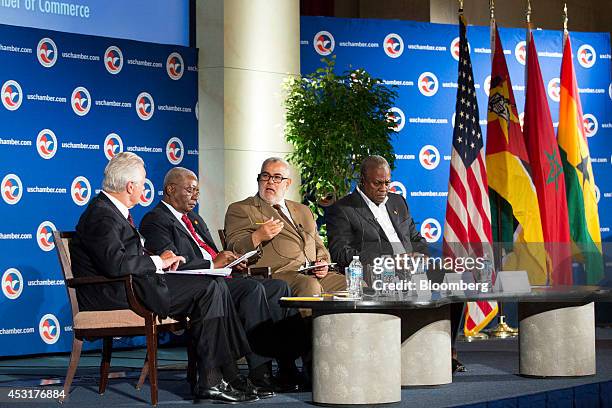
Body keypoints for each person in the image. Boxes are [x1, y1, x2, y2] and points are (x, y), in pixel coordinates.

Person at [69, 152, 258, 403]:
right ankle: (213, 379)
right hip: (116, 293)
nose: (146, 187)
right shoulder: (101, 214)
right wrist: (158, 261)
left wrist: (160, 257)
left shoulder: (111, 211)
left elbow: (123, 254)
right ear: (130, 186)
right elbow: (115, 264)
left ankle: (224, 374)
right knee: (209, 288)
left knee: (215, 285)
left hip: (132, 285)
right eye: (144, 182)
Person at [140, 167, 308, 393]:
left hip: (220, 276)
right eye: (190, 190)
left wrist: (230, 261)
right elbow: (170, 263)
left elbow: (211, 252)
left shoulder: (194, 219)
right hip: (198, 284)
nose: (196, 196)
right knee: (252, 290)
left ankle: (287, 368)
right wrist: (213, 264)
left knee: (279, 287)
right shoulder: (155, 220)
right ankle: (260, 373)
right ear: (170, 189)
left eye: (198, 191)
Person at [326, 155, 465, 373]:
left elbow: (416, 238)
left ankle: (448, 350)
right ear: (362, 180)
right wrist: (390, 259)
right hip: (380, 273)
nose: (383, 188)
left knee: (452, 278)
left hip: (412, 269)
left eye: (387, 182)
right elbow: (341, 253)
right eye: (377, 183)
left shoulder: (398, 201)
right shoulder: (343, 209)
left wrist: (421, 256)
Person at [224, 157, 346, 302]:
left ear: (287, 183)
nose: (270, 181)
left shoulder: (303, 210)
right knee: (309, 286)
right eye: (265, 176)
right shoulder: (242, 209)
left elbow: (318, 244)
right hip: (279, 274)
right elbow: (234, 248)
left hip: (312, 272)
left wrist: (323, 262)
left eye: (277, 177)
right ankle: (309, 326)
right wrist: (258, 236)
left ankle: (344, 326)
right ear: (259, 179)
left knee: (355, 285)